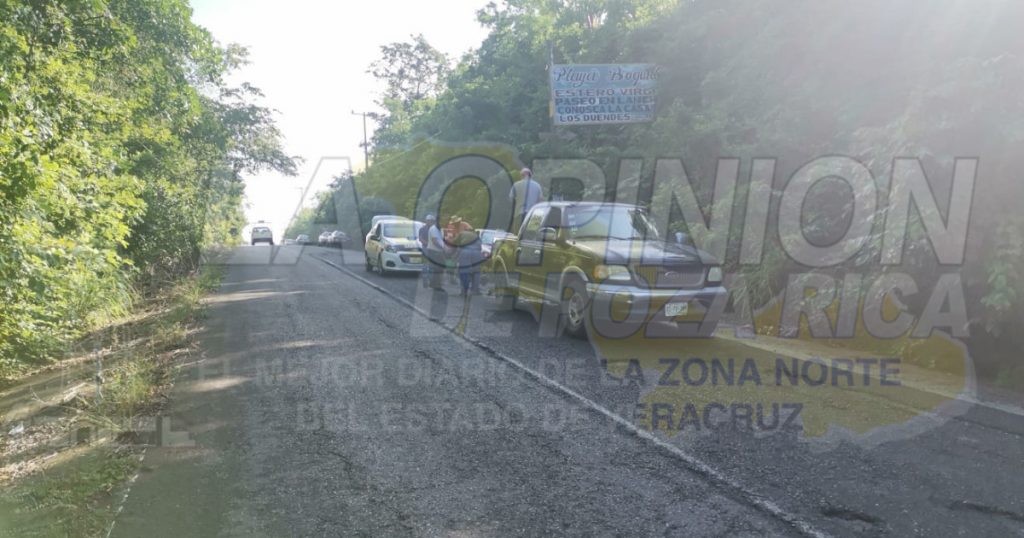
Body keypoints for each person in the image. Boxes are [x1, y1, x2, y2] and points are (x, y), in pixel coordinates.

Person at [509, 168, 543, 232]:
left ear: (521, 175)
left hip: (519, 213)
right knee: (532, 236)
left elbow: (511, 199)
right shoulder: (537, 185)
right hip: (534, 215)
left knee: (517, 235)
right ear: (530, 175)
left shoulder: (516, 185)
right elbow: (540, 201)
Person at [455, 227, 483, 296]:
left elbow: (456, 244)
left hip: (466, 252)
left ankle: (464, 291)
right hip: (477, 253)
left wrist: (455, 256)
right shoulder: (476, 235)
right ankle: (475, 290)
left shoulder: (462, 233)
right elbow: (480, 247)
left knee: (464, 271)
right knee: (476, 272)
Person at [426, 215, 446, 290]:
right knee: (437, 268)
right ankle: (436, 285)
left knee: (440, 268)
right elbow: (435, 241)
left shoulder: (441, 229)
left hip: (439, 251)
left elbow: (442, 240)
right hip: (433, 251)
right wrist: (444, 248)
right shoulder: (433, 229)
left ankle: (435, 284)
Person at [418, 214, 435, 288]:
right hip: (426, 248)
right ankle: (425, 281)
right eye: (428, 221)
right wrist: (428, 244)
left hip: (433, 249)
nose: (430, 222)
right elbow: (420, 239)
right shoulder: (422, 229)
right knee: (425, 265)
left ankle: (431, 281)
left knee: (432, 265)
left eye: (431, 221)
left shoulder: (434, 229)